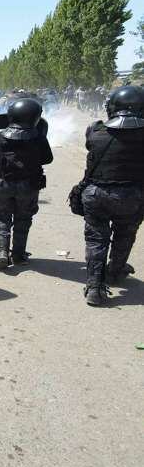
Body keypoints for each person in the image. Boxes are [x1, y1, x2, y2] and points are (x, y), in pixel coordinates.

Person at [80, 85, 144, 306]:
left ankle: (95, 287)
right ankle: (115, 271)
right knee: (125, 234)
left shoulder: (95, 131)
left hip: (96, 194)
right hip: (133, 195)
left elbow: (91, 145)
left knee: (96, 240)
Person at [0, 99, 53, 270]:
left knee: (1, 218)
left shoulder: (0, 136)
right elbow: (48, 158)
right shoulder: (38, 137)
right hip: (28, 186)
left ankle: (2, 252)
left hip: (2, 184)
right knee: (23, 219)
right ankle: (18, 255)